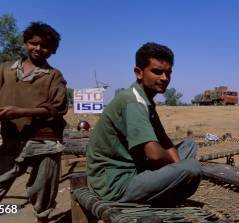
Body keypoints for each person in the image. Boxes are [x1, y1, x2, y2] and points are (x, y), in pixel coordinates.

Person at [0, 22, 67, 223]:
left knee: (42, 192)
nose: (38, 48)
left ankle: (42, 219)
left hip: (43, 143)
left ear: (52, 50)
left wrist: (20, 111)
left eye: (45, 46)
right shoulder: (6, 70)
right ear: (25, 42)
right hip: (12, 141)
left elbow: (58, 108)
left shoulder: (53, 75)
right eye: (33, 43)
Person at [86, 42, 201, 206]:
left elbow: (164, 139)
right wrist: (180, 169)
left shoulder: (145, 99)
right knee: (192, 168)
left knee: (189, 145)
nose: (164, 78)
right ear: (139, 73)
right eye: (157, 72)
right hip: (116, 183)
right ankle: (166, 195)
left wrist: (177, 165)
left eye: (168, 73)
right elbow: (153, 153)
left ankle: (167, 184)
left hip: (135, 167)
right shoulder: (133, 101)